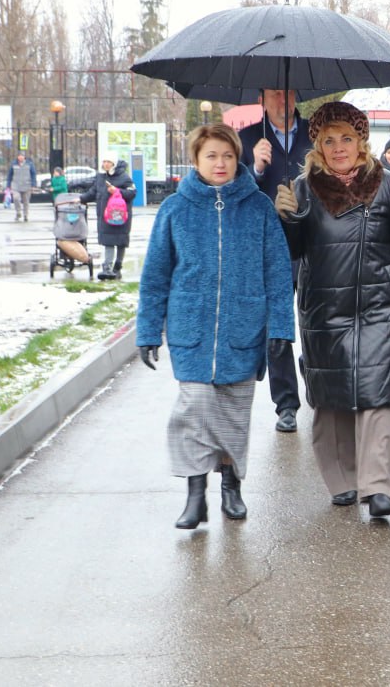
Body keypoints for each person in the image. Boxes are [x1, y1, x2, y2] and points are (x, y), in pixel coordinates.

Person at [273, 102, 390, 519]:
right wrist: (288, 219)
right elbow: (292, 253)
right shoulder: (304, 188)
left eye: (347, 138)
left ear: (361, 141)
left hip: (380, 307)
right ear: (318, 146)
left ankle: (378, 487)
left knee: (377, 395)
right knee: (331, 400)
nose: (339, 147)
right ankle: (342, 480)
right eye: (329, 140)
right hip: (325, 307)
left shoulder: (387, 184)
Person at [136, 123, 294, 529]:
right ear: (195, 160)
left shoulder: (258, 206)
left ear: (236, 157)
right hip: (192, 328)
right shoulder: (175, 208)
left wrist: (280, 327)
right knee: (194, 409)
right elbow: (155, 275)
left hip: (244, 326)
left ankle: (230, 486)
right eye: (211, 156)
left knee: (233, 413)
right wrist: (149, 330)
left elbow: (277, 271)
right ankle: (194, 493)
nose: (220, 163)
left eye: (227, 155)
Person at [239, 89, 310, 434]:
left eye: (288, 94)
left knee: (314, 318)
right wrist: (256, 167)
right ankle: (286, 403)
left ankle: (312, 368)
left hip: (311, 243)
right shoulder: (248, 138)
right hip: (267, 245)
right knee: (277, 329)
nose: (283, 101)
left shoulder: (315, 135)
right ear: (262, 100)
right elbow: (236, 192)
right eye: (275, 95)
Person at [79, 152, 136, 280]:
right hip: (105, 215)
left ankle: (117, 266)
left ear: (114, 164)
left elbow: (132, 193)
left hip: (121, 216)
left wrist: (117, 191)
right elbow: (93, 192)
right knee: (108, 241)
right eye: (104, 161)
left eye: (108, 162)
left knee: (120, 241)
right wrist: (80, 199)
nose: (105, 164)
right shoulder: (100, 177)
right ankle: (107, 268)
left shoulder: (124, 177)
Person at [5, 153, 36, 222]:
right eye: (19, 156)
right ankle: (18, 212)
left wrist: (33, 185)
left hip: (27, 185)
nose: (20, 157)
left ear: (24, 157)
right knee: (16, 198)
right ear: (17, 157)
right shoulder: (13, 164)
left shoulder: (29, 164)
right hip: (16, 185)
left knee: (26, 201)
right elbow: (10, 175)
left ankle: (26, 215)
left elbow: (33, 174)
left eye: (22, 156)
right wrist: (8, 185)